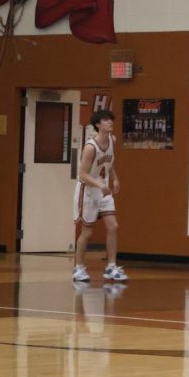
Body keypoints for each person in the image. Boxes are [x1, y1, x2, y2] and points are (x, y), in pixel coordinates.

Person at [72, 109, 128, 283]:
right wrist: (99, 184)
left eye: (111, 119)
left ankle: (111, 266)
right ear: (98, 124)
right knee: (87, 233)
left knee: (113, 226)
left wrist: (115, 179)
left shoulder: (112, 140)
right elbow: (82, 174)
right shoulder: (90, 148)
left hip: (103, 189)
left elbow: (108, 163)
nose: (110, 122)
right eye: (106, 120)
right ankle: (78, 268)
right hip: (88, 190)